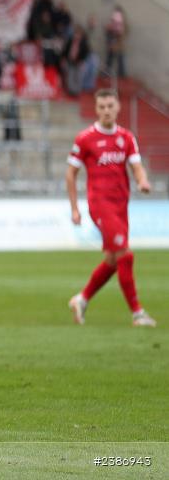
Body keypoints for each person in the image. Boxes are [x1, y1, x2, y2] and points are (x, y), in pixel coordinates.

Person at [67, 89, 156, 327]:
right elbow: (71, 174)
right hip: (100, 204)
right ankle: (137, 313)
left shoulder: (126, 137)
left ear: (118, 108)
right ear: (96, 110)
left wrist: (142, 180)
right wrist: (74, 208)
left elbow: (136, 165)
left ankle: (82, 299)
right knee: (125, 255)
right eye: (102, 107)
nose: (106, 110)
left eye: (110, 106)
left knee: (113, 260)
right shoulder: (85, 138)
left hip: (121, 205)